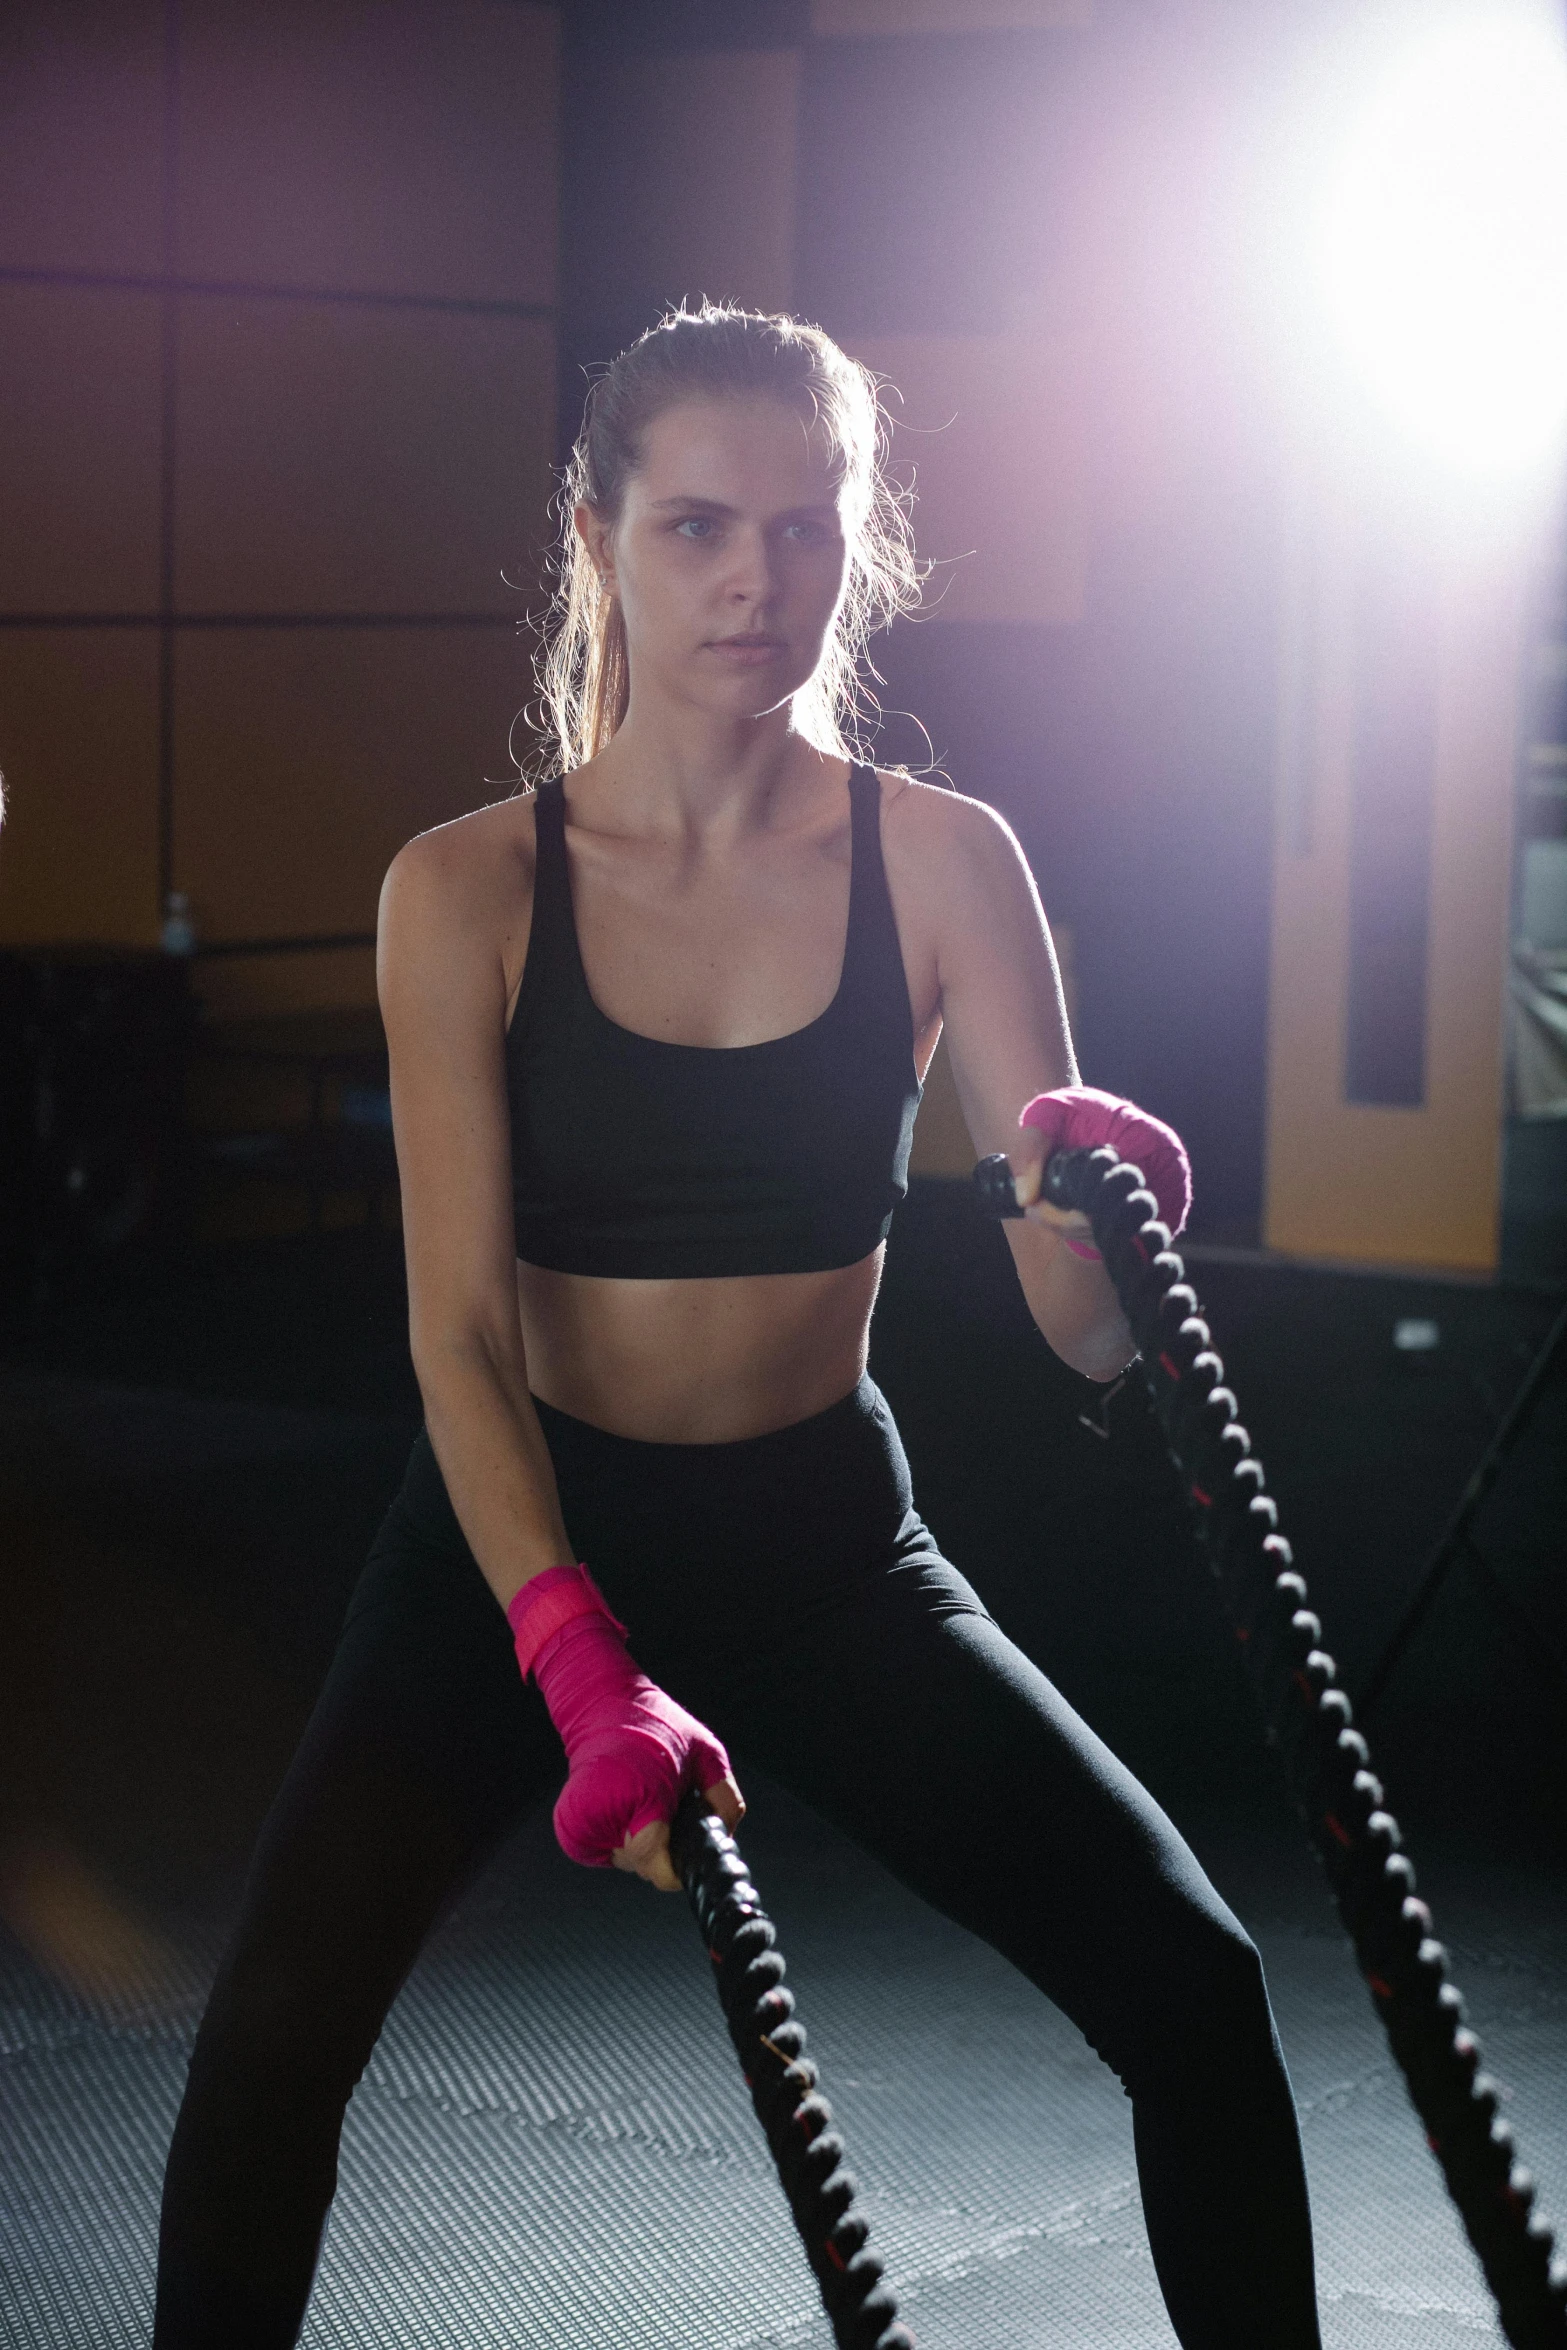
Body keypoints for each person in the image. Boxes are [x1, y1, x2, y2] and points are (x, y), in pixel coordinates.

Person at [154, 303, 1321, 2348]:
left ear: (852, 546)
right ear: (598, 532)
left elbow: (1084, 1343)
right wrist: (572, 1650)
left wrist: (1116, 1222)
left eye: (803, 528)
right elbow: (451, 1334)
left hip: (820, 1539)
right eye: (699, 525)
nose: (756, 580)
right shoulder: (466, 888)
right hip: (520, 1543)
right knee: (263, 2055)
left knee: (1199, 1992)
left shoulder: (948, 861)